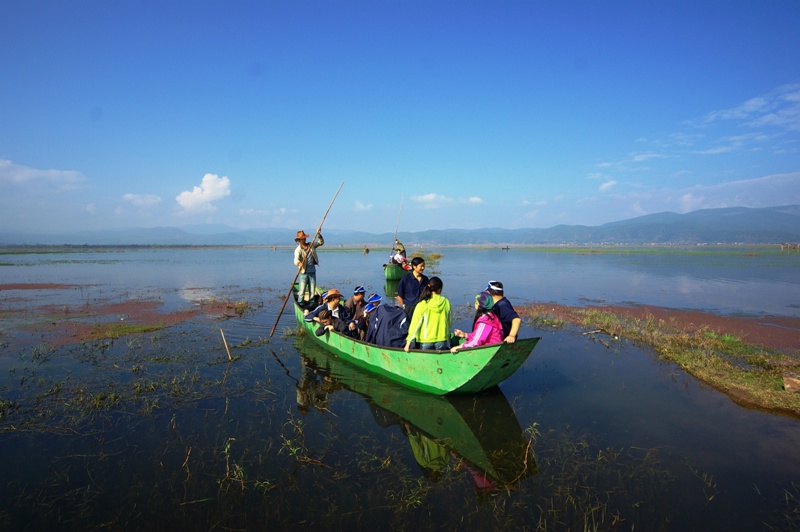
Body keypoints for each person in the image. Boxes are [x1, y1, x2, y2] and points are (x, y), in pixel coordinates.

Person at [404, 276, 452, 352]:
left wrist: (408, 342)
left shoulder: (422, 304)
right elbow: (449, 322)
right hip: (442, 340)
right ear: (439, 289)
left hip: (425, 340)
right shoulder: (446, 302)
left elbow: (415, 324)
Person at [293, 229, 324, 308]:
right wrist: (299, 263)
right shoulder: (298, 250)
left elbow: (321, 243)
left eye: (304, 238)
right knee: (302, 290)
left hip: (312, 271)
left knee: (312, 289)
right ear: (299, 240)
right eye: (302, 238)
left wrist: (319, 235)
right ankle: (300, 304)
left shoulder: (311, 245)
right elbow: (296, 260)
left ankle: (311, 304)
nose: (304, 239)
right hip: (304, 272)